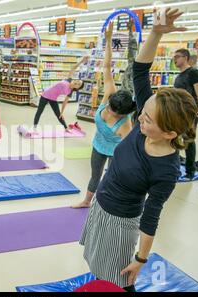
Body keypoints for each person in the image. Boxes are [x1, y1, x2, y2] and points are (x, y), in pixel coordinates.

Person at [79, 8, 197, 292]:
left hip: (121, 222)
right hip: (101, 207)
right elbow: (140, 69)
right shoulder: (148, 114)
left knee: (119, 278)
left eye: (146, 119)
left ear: (169, 133)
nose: (139, 119)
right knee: (96, 266)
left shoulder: (165, 169)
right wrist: (156, 33)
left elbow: (151, 215)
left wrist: (141, 259)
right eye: (142, 113)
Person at [73, 21, 136, 209]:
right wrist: (108, 40)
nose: (107, 110)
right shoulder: (110, 92)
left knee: (111, 176)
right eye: (108, 107)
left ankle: (107, 203)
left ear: (123, 113)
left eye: (112, 112)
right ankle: (86, 201)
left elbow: (131, 149)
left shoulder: (125, 125)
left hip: (114, 151)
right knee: (95, 175)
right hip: (98, 145)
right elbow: (107, 66)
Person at [173, 48, 198, 180]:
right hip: (179, 111)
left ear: (186, 57)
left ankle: (190, 172)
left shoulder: (193, 72)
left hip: (191, 112)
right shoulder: (179, 76)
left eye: (177, 56)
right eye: (174, 57)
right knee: (174, 138)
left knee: (188, 140)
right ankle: (175, 168)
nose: (175, 59)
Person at [32, 56, 87, 132]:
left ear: (77, 88)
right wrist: (81, 61)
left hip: (53, 98)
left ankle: (66, 128)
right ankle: (34, 128)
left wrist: (62, 112)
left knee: (59, 114)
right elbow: (73, 68)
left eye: (78, 84)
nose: (77, 82)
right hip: (45, 95)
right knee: (39, 111)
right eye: (78, 81)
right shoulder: (69, 79)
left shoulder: (70, 92)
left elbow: (65, 102)